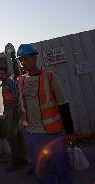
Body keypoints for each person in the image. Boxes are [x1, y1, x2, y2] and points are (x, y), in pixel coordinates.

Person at [17, 44, 74, 183]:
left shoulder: (49, 77)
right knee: (42, 171)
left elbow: (63, 104)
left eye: (25, 58)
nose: (23, 62)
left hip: (52, 133)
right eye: (21, 60)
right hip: (31, 134)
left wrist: (70, 131)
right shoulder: (21, 81)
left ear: (34, 57)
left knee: (61, 169)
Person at [0, 67, 27, 171]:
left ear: (6, 73)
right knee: (17, 137)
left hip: (13, 114)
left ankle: (17, 161)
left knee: (11, 137)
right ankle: (21, 159)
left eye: (2, 73)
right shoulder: (4, 84)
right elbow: (7, 100)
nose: (0, 75)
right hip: (9, 113)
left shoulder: (11, 83)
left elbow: (15, 97)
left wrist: (13, 112)